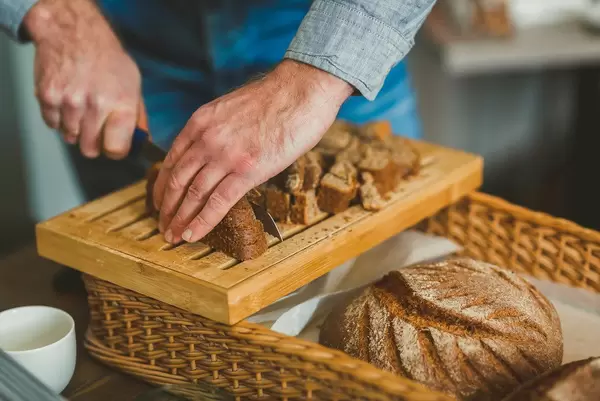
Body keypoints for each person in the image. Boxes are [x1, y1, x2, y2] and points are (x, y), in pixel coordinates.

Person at [1, 0, 436, 245]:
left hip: (330, 29)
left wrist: (314, 79)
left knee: (392, 259)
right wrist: (58, 16)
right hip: (129, 38)